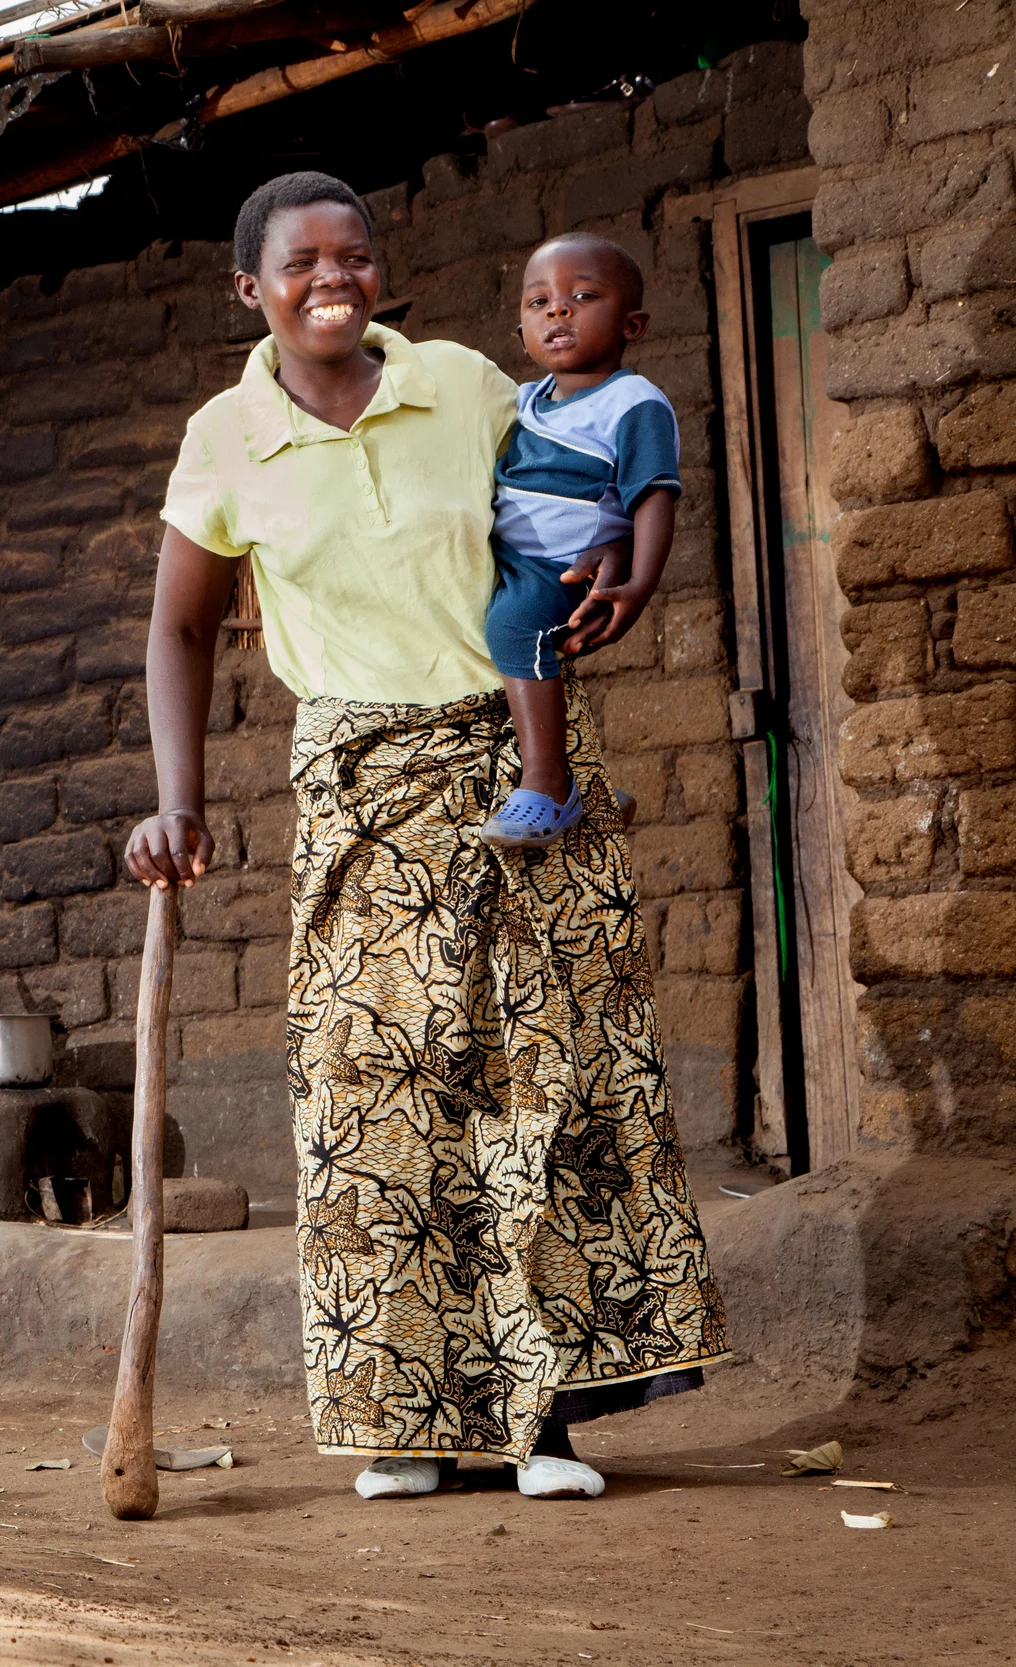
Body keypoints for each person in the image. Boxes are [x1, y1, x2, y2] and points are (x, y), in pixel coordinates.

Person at [123, 173, 727, 1502]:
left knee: (543, 1084)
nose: (331, 278)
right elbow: (180, 624)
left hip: (518, 765)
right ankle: (403, 1418)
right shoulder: (226, 440)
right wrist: (178, 796)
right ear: (253, 287)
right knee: (376, 1092)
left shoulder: (465, 383)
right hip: (359, 779)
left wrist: (636, 561)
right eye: (300, 262)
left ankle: (540, 1423)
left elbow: (598, 471)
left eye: (353, 255)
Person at [480, 234, 681, 849]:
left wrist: (638, 584)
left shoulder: (633, 402)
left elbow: (654, 498)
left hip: (562, 566)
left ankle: (548, 785)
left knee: (513, 629)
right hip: (508, 555)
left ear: (633, 325)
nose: (557, 311)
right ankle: (590, 789)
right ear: (521, 333)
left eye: (582, 296)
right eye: (538, 302)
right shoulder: (520, 402)